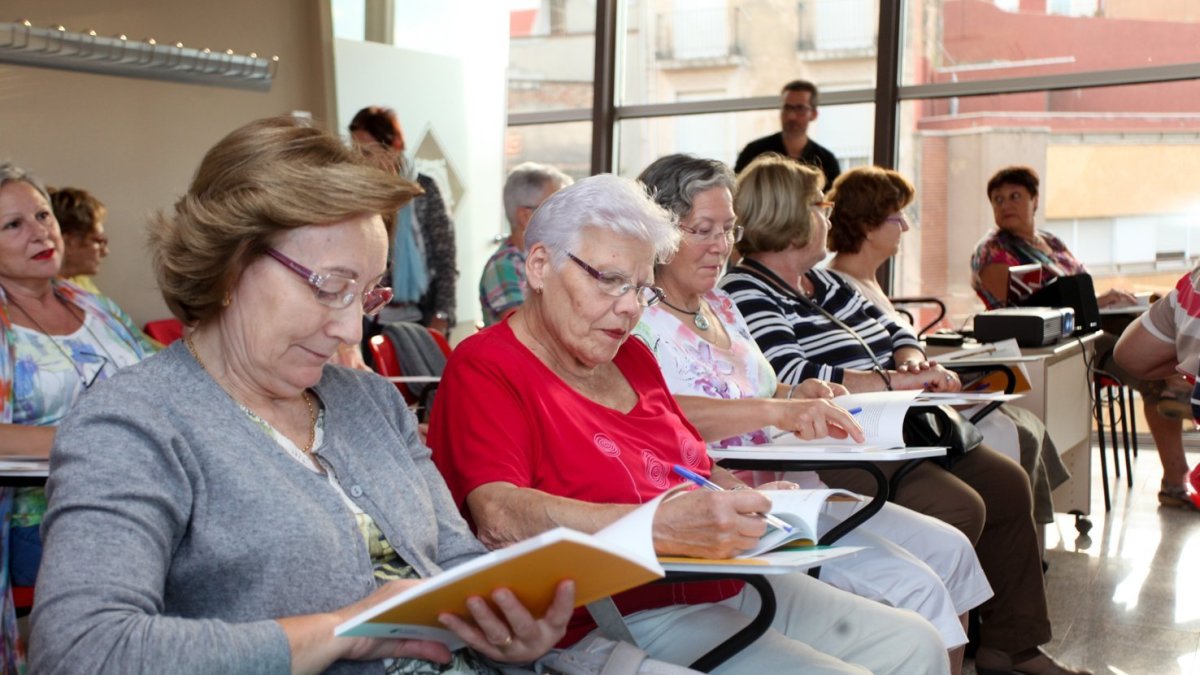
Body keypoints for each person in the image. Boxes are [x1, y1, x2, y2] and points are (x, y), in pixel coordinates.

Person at [30, 117, 579, 674]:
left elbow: (457, 563)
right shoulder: (133, 424)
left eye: (366, 295)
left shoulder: (371, 401)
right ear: (230, 263)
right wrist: (344, 632)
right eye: (329, 286)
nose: (349, 331)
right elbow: (80, 651)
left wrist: (508, 630)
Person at [429, 173, 951, 675]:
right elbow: (497, 513)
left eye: (640, 288)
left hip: (721, 577)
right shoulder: (488, 366)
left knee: (915, 645)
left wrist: (745, 502)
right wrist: (653, 529)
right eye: (611, 281)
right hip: (615, 610)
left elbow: (695, 466)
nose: (630, 308)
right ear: (540, 266)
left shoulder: (630, 356)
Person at [719, 154, 1092, 675]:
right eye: (819, 205)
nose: (829, 215)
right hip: (837, 441)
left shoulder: (824, 284)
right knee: (962, 508)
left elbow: (896, 332)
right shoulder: (747, 290)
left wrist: (913, 361)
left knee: (1008, 483)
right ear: (788, 215)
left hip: (896, 427)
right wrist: (901, 380)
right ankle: (909, 646)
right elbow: (794, 372)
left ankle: (1013, 646)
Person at [632, 154, 992, 674]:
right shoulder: (638, 316)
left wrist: (800, 390)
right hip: (737, 508)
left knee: (951, 550)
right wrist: (776, 409)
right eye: (703, 230)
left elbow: (762, 383)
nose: (721, 245)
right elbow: (657, 415)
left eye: (729, 229)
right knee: (915, 589)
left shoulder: (720, 305)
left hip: (793, 492)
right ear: (659, 232)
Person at [826, 165, 1069, 525]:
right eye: (898, 217)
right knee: (1010, 430)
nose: (905, 227)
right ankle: (1013, 536)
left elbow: (902, 345)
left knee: (1023, 423)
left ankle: (1023, 537)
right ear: (867, 224)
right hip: (897, 415)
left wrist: (915, 361)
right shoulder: (838, 287)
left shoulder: (865, 283)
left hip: (912, 396)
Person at [0, 162, 159, 671]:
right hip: (39, 516)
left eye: (42, 215)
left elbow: (161, 375)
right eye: (13, 225)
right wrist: (91, 438)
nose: (40, 232)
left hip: (143, 489)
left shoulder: (94, 307)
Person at [970, 165, 1191, 510]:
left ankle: (1179, 386)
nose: (1005, 205)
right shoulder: (991, 250)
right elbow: (1018, 307)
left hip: (1087, 332)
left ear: (1034, 200)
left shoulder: (1051, 242)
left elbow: (1078, 288)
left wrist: (1109, 302)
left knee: (1159, 332)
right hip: (1049, 346)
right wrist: (1098, 303)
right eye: (998, 200)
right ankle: (1176, 475)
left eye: (1015, 196)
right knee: (1158, 379)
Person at [349, 106, 458, 334]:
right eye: (355, 151)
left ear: (393, 146)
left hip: (425, 316)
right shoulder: (358, 194)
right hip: (374, 319)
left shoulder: (424, 188)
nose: (361, 160)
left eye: (367, 152)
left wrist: (443, 314)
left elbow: (445, 257)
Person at [1113, 264, 1200, 509]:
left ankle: (1182, 383)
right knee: (1154, 384)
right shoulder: (1000, 249)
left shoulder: (1193, 283)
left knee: (1153, 378)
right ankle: (1181, 384)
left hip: (1155, 330)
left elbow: (1128, 354)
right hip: (1091, 332)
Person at [479, 162, 573, 325]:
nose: (565, 217)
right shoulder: (504, 266)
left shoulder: (553, 258)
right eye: (554, 209)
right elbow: (528, 328)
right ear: (525, 216)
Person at [733, 79, 841, 188]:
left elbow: (832, 202)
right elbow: (735, 193)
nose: (791, 116)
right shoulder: (754, 152)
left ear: (814, 114)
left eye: (800, 108)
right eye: (787, 108)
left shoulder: (826, 160)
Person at [48, 186, 109, 294]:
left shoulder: (80, 282)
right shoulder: (39, 293)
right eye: (98, 241)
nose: (105, 252)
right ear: (68, 242)